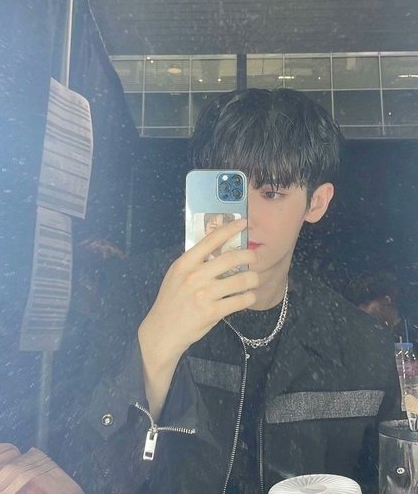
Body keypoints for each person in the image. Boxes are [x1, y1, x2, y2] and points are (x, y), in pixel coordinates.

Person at [73, 88, 400, 494]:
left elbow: (389, 479)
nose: (244, 215)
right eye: (229, 189)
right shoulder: (136, 294)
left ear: (316, 203)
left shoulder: (361, 347)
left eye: (272, 193)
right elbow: (79, 473)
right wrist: (156, 346)